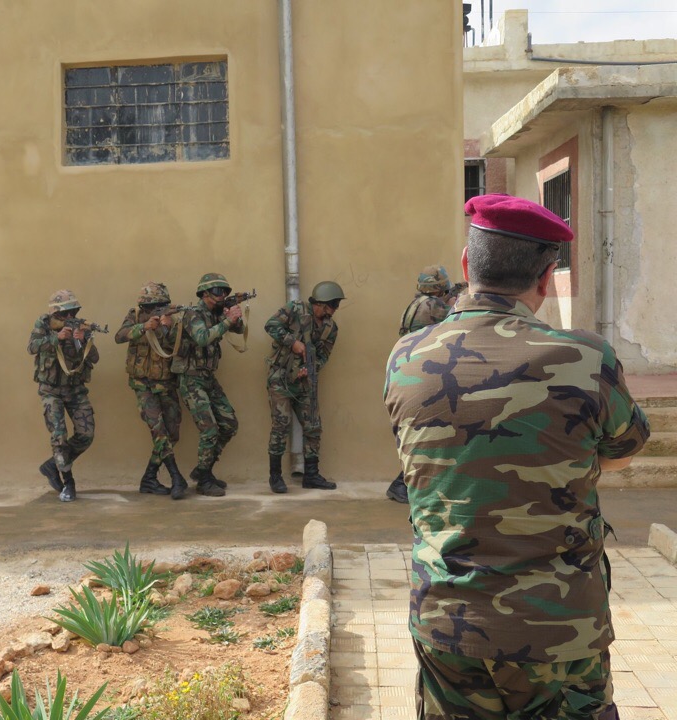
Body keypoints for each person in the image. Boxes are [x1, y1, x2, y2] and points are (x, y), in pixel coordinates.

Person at [383, 193, 650, 720]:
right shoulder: (585, 357)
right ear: (547, 277)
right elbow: (622, 454)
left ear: (466, 263)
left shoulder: (407, 356)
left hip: (448, 622)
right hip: (560, 630)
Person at [386, 264, 458, 504]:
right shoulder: (434, 306)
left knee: (416, 432)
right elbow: (459, 321)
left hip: (406, 374)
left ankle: (403, 484)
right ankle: (401, 484)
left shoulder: (414, 305)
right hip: (422, 376)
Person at [263, 281, 344, 493]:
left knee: (313, 426)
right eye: (333, 304)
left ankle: (311, 475)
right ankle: (275, 476)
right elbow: (271, 325)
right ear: (320, 303)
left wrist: (310, 369)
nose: (334, 309)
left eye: (336, 305)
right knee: (281, 425)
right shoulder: (295, 310)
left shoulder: (330, 328)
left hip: (304, 381)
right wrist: (293, 342)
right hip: (280, 377)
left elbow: (324, 355)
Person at [172, 272, 245, 497]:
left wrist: (234, 317)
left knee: (229, 423)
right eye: (217, 291)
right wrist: (226, 320)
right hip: (191, 379)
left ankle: (204, 469)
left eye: (225, 292)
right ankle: (203, 480)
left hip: (208, 378)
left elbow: (239, 330)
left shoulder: (216, 313)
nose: (222, 295)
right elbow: (202, 338)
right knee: (209, 429)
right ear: (204, 293)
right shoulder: (193, 314)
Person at [114, 281, 189, 500]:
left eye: (159, 306)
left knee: (172, 433)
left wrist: (165, 329)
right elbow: (119, 336)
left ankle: (149, 478)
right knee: (158, 431)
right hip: (142, 385)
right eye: (149, 308)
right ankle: (176, 477)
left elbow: (182, 348)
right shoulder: (134, 316)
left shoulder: (174, 321)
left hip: (165, 384)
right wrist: (144, 326)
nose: (152, 311)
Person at [27, 290, 99, 502]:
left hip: (75, 389)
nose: (70, 317)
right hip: (51, 390)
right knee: (59, 436)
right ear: (56, 313)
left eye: (73, 312)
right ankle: (68, 481)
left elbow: (95, 357)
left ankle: (53, 464)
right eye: (65, 313)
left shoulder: (82, 327)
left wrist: (84, 340)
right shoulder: (44, 324)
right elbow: (31, 346)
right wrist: (55, 338)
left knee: (86, 435)